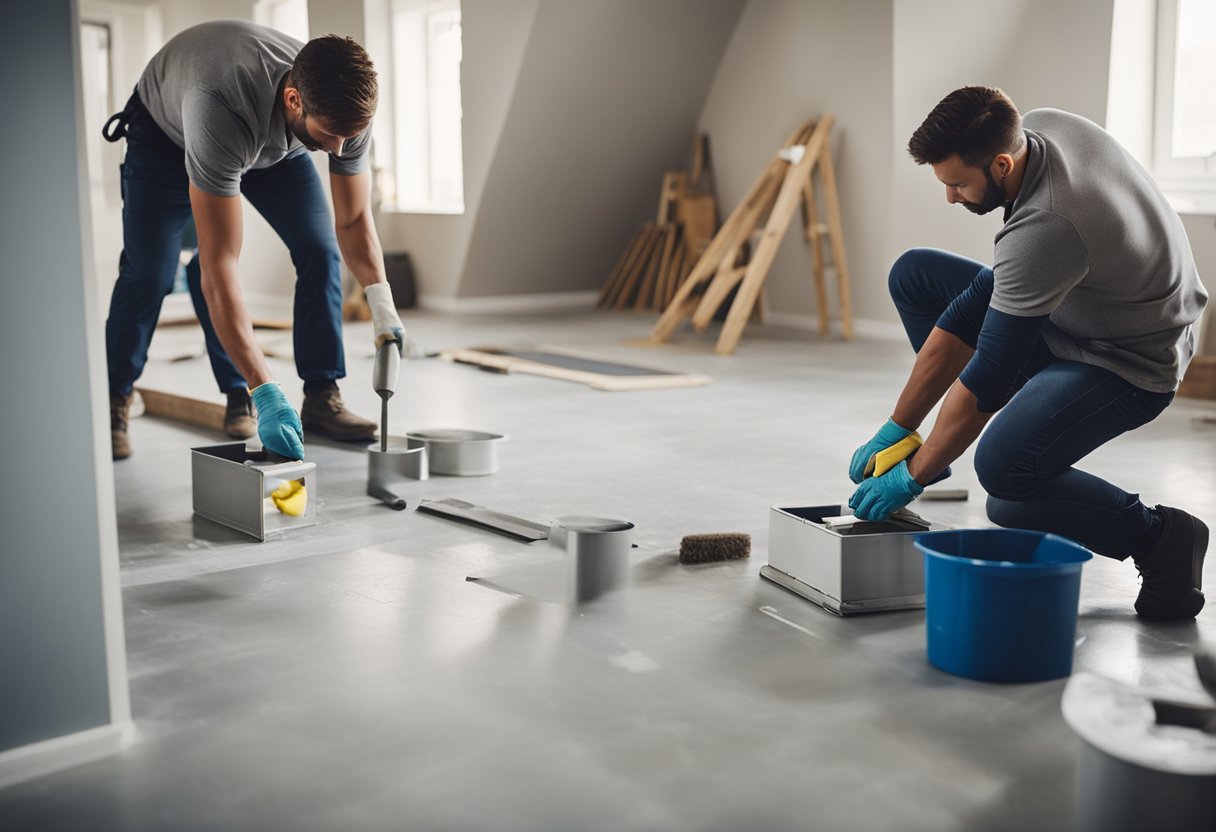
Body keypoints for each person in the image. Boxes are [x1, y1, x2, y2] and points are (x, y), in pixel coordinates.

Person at [848, 86, 1209, 621]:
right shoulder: (1039, 127)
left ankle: (1161, 537)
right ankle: (962, 433)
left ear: (999, 163)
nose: (951, 197)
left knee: (1006, 478)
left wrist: (913, 477)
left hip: (1130, 362)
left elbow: (988, 375)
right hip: (1077, 313)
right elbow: (977, 304)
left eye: (958, 184)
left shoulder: (1049, 226)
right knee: (916, 275)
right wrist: (899, 427)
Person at [102, 20, 405, 461]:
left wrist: (382, 303)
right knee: (152, 274)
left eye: (350, 138)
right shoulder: (218, 105)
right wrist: (266, 389)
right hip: (165, 136)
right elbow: (219, 267)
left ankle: (322, 396)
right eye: (331, 136)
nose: (340, 151)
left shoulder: (343, 112)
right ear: (294, 99)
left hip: (284, 143)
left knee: (318, 250)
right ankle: (114, 398)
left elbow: (354, 219)